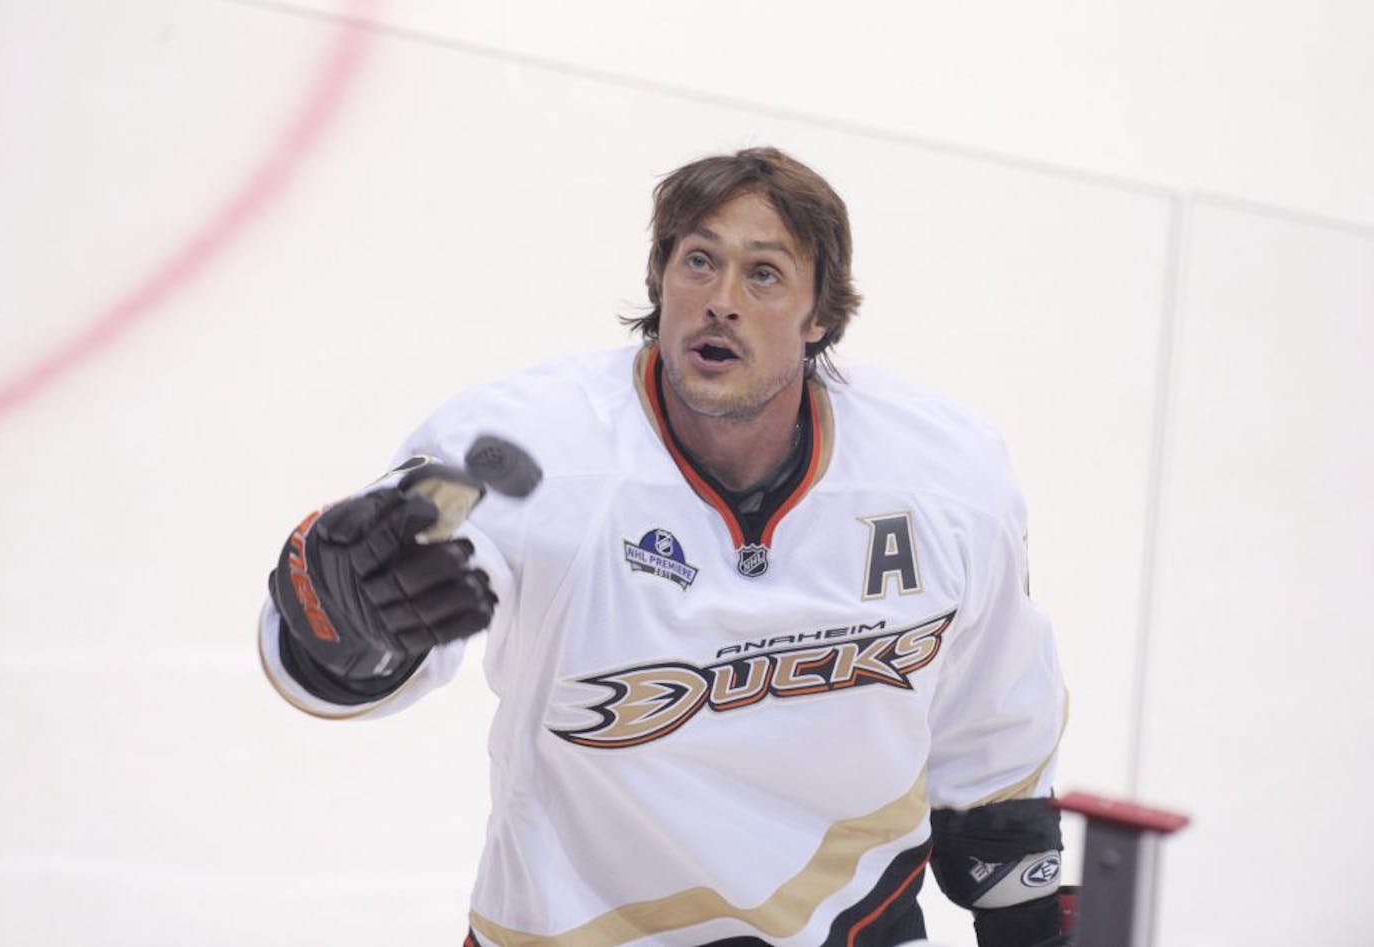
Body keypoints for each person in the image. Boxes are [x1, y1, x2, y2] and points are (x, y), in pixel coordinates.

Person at [258, 147, 1069, 947]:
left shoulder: (944, 476)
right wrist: (342, 623)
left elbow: (991, 721)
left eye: (763, 273)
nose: (721, 299)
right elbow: (381, 614)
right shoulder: (534, 445)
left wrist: (1027, 918)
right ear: (660, 282)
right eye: (698, 262)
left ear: (819, 313)